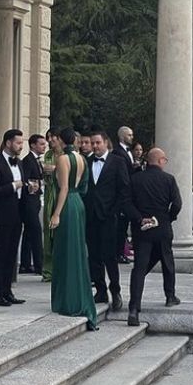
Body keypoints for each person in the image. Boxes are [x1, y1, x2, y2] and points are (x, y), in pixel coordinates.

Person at [126, 147, 182, 326]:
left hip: (142, 228)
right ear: (159, 161)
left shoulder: (135, 179)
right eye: (164, 160)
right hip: (163, 226)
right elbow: (177, 204)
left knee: (139, 267)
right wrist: (169, 217)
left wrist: (139, 219)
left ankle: (134, 308)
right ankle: (170, 295)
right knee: (167, 261)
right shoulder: (169, 179)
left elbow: (126, 203)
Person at [49, 126, 97, 330]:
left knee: (65, 251)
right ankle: (74, 295)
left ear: (60, 140)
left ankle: (67, 300)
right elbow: (84, 186)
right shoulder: (82, 159)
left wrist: (56, 213)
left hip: (67, 204)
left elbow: (64, 187)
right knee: (76, 250)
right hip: (78, 203)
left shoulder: (62, 159)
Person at [84, 130, 130, 310]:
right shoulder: (86, 162)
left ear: (105, 142)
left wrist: (115, 211)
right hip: (91, 216)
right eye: (92, 143)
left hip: (109, 216)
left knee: (110, 256)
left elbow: (124, 188)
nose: (94, 146)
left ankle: (115, 291)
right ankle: (100, 290)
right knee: (94, 256)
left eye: (97, 143)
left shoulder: (117, 162)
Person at [0, 129, 31, 306]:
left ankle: (8, 290)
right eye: (18, 143)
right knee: (1, 253)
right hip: (1, 215)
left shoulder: (20, 163)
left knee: (11, 254)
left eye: (22, 143)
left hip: (17, 214)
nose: (21, 146)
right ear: (8, 143)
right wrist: (14, 186)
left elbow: (22, 186)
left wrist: (29, 188)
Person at [19, 133, 46, 274]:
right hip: (29, 200)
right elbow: (26, 179)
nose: (44, 146)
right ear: (33, 145)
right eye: (41, 144)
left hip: (35, 199)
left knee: (29, 232)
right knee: (35, 231)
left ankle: (25, 264)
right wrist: (36, 184)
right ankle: (39, 264)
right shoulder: (28, 160)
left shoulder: (37, 160)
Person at [113, 125, 135, 263]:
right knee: (120, 226)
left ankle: (121, 251)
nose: (132, 137)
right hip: (121, 195)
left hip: (129, 193)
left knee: (124, 225)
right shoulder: (117, 152)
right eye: (129, 135)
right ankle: (118, 253)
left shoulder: (129, 152)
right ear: (122, 136)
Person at [41, 127, 60, 282]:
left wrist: (55, 169)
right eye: (49, 137)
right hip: (49, 193)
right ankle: (48, 270)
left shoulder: (66, 155)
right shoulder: (48, 154)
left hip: (61, 193)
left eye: (53, 136)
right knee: (48, 232)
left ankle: (60, 268)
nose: (50, 140)